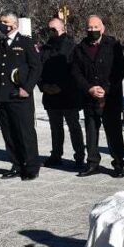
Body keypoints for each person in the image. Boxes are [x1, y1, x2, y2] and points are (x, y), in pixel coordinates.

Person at [71, 14, 124, 178]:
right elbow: (75, 72)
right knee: (91, 132)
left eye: (95, 27)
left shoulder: (113, 45)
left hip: (110, 97)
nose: (92, 30)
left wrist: (105, 89)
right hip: (89, 97)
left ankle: (118, 164)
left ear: (102, 28)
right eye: (89, 28)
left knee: (114, 132)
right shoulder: (79, 48)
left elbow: (119, 70)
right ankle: (92, 163)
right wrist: (89, 89)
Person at [0, 12, 41, 181]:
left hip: (20, 96)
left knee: (25, 132)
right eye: (1, 21)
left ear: (15, 25)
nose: (2, 24)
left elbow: (36, 67)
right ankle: (17, 165)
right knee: (9, 133)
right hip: (4, 96)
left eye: (5, 22)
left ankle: (31, 166)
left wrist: (27, 88)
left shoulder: (26, 43)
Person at [39, 17, 84, 170]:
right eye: (49, 29)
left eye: (54, 29)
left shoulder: (71, 47)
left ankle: (79, 156)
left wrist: (61, 86)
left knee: (73, 126)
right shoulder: (46, 48)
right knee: (55, 127)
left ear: (62, 29)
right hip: (50, 94)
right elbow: (39, 69)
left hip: (68, 94)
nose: (51, 32)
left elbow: (74, 71)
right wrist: (43, 86)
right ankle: (56, 154)